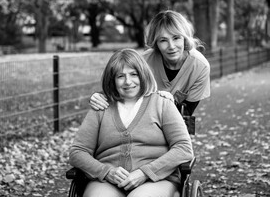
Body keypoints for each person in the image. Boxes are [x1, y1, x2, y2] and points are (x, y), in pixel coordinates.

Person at [69, 48, 193, 197]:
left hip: (156, 180)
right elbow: (77, 152)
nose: (128, 82)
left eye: (134, 74)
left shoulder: (161, 103)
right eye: (120, 76)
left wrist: (145, 172)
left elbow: (184, 148)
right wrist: (106, 172)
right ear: (112, 80)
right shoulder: (100, 107)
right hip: (107, 182)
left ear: (143, 75)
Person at [90, 10, 210, 116]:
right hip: (140, 118)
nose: (171, 46)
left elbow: (187, 112)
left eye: (176, 38)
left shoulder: (200, 66)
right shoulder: (142, 61)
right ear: (155, 42)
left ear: (185, 38)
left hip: (177, 120)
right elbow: (118, 88)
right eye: (163, 40)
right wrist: (98, 96)